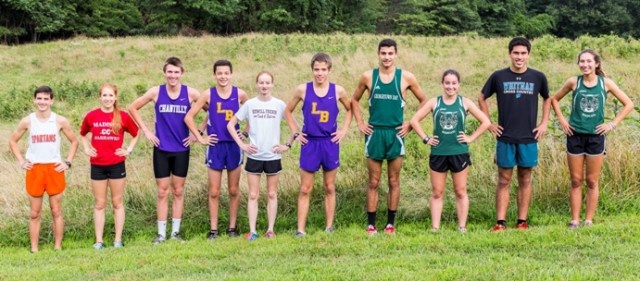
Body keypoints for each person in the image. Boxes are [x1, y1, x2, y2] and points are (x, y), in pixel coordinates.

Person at [551, 49, 634, 229]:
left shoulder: (606, 83)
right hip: (575, 136)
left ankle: (588, 220)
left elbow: (629, 104)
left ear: (596, 64)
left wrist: (611, 124)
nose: (585, 65)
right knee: (575, 180)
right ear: (578, 63)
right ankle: (575, 220)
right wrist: (563, 121)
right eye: (582, 61)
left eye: (589, 61)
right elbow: (554, 99)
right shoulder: (574, 82)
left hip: (596, 137)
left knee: (592, 181)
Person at [352, 38, 427, 235]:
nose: (386, 57)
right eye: (383, 53)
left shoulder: (406, 77)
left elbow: (424, 101)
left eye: (390, 53)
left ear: (396, 54)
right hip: (375, 133)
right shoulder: (368, 76)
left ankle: (390, 224)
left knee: (394, 180)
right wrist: (360, 122)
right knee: (373, 181)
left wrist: (411, 123)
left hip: (396, 133)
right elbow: (354, 100)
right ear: (378, 54)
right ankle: (371, 224)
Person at [478, 37, 551, 232]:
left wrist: (544, 123)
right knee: (504, 179)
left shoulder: (538, 77)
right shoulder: (498, 76)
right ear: (510, 54)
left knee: (525, 178)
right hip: (506, 136)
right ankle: (500, 222)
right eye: (516, 53)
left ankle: (522, 221)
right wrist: (488, 123)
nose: (519, 57)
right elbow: (481, 97)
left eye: (523, 53)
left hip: (529, 137)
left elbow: (547, 99)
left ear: (528, 55)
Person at [129, 57, 200, 243]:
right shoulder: (156, 92)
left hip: (181, 148)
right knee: (162, 191)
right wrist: (146, 131)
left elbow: (211, 110)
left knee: (178, 190)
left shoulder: (191, 93)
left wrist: (197, 133)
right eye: (170, 72)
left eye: (176, 72)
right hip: (161, 148)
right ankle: (161, 234)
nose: (173, 75)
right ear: (164, 73)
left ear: (182, 73)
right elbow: (132, 107)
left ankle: (175, 233)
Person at [410, 69, 490, 233]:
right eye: (447, 83)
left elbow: (485, 122)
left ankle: (462, 226)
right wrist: (426, 138)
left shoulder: (465, 103)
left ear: (459, 85)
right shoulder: (434, 102)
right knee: (437, 192)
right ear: (442, 84)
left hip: (459, 152)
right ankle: (435, 227)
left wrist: (470, 138)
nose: (450, 86)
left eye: (454, 83)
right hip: (438, 152)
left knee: (460, 191)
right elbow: (414, 120)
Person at [284, 53, 352, 237]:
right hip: (310, 143)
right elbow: (287, 111)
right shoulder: (302, 90)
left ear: (329, 70)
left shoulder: (338, 91)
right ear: (312, 70)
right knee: (305, 188)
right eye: (316, 69)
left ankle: (329, 227)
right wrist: (296, 133)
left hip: (329, 142)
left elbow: (350, 109)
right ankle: (300, 229)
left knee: (329, 187)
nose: (320, 73)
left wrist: (344, 130)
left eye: (323, 69)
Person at [8, 86, 79, 252]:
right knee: (34, 213)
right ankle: (34, 249)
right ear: (34, 100)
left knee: (56, 211)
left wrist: (67, 162)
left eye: (46, 99)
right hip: (35, 169)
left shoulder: (60, 120)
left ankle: (57, 247)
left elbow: (74, 141)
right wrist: (21, 161)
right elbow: (12, 141)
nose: (42, 102)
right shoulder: (28, 121)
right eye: (39, 98)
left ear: (51, 101)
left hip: (54, 169)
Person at [184, 59, 249, 239]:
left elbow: (253, 111)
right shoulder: (208, 94)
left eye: (226, 73)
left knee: (234, 190)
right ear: (214, 75)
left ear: (231, 74)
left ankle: (232, 228)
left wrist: (246, 132)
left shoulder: (239, 94)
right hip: (215, 146)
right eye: (219, 73)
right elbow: (189, 118)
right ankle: (213, 230)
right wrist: (201, 138)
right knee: (214, 191)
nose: (223, 76)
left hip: (234, 146)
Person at [227, 71, 293, 241]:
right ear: (256, 84)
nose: (264, 86)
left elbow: (295, 128)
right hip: (254, 156)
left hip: (273, 156)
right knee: (253, 195)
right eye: (261, 83)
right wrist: (242, 144)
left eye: (267, 83)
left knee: (272, 194)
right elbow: (231, 124)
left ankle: (270, 230)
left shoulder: (279, 105)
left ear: (272, 84)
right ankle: (253, 231)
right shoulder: (250, 104)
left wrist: (287, 145)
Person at [80, 83, 139, 249]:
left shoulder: (123, 116)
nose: (107, 99)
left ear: (115, 97)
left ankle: (117, 240)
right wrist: (86, 148)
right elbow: (83, 134)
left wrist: (128, 149)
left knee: (117, 202)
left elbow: (136, 133)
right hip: (97, 165)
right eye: (104, 95)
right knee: (99, 204)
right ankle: (99, 241)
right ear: (99, 97)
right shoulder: (92, 116)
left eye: (110, 96)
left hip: (116, 165)